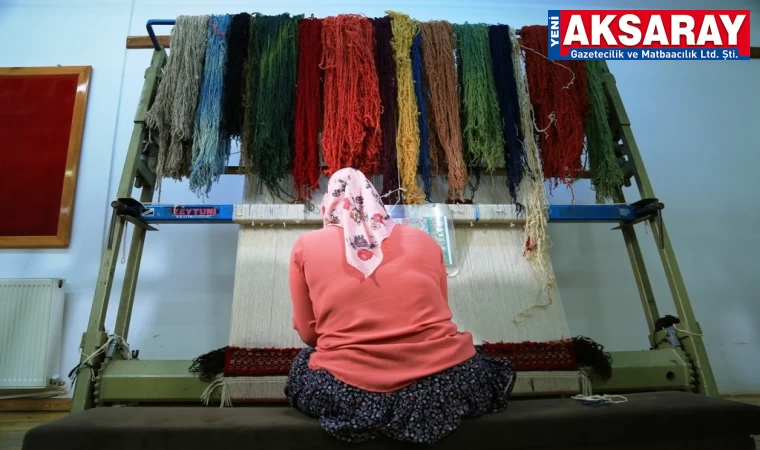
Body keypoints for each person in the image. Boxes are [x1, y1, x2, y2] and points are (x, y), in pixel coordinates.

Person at [285, 168, 516, 445]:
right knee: (476, 363)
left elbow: (308, 333)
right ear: (375, 200)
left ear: (329, 204)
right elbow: (441, 312)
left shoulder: (306, 246)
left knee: (304, 364)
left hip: (349, 388)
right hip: (444, 381)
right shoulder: (425, 241)